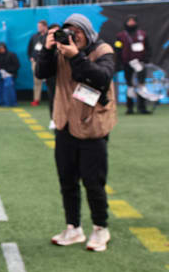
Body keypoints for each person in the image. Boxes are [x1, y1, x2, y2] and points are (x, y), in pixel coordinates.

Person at [36, 14, 116, 252]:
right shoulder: (60, 50)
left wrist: (76, 57)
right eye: (67, 31)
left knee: (94, 182)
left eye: (77, 31)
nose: (72, 37)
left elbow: (101, 77)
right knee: (67, 181)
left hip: (93, 126)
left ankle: (101, 228)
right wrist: (48, 49)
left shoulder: (102, 50)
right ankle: (74, 227)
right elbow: (42, 72)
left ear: (87, 32)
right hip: (65, 124)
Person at [114, 15, 151, 114]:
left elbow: (147, 47)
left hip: (140, 63)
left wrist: (146, 58)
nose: (131, 23)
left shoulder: (142, 34)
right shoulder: (120, 36)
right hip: (127, 64)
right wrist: (119, 63)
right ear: (126, 22)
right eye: (129, 21)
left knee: (141, 85)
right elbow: (118, 49)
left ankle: (142, 107)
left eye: (133, 21)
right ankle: (129, 108)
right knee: (130, 85)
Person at [28, 20, 48, 106]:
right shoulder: (34, 36)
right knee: (37, 81)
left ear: (45, 26)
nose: (38, 28)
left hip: (48, 62)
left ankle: (54, 98)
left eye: (40, 26)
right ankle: (36, 99)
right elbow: (29, 48)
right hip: (36, 62)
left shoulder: (50, 36)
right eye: (38, 26)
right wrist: (31, 57)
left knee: (51, 81)